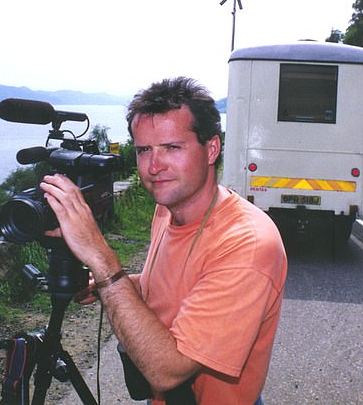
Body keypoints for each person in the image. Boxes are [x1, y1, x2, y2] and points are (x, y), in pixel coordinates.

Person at [40, 76, 287, 404]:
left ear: (211, 148)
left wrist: (101, 258)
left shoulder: (248, 243)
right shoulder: (167, 209)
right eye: (144, 150)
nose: (154, 166)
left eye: (172, 147)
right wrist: (109, 285)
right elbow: (170, 286)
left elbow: (167, 372)